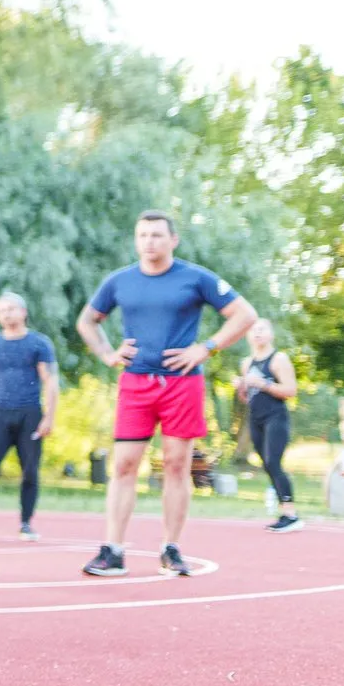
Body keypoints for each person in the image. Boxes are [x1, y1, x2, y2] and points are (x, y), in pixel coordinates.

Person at [74, 210, 257, 577]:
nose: (149, 242)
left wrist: (206, 347)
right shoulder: (119, 281)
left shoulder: (195, 278)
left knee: (176, 466)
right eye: (143, 235)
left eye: (157, 235)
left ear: (173, 239)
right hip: (136, 383)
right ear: (136, 240)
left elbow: (244, 315)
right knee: (124, 465)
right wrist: (108, 354)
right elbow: (87, 321)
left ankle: (170, 549)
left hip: (182, 384)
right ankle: (113, 550)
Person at [0, 292, 59, 542]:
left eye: (10, 309)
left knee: (30, 470)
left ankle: (26, 524)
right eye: (1, 311)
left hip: (29, 412)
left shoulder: (39, 344)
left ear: (23, 311)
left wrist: (49, 417)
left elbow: (50, 380)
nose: (6, 315)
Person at [237, 318, 301, 532]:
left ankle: (291, 514)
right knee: (266, 463)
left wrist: (263, 383)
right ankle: (284, 511)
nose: (257, 333)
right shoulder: (246, 363)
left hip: (276, 417)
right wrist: (241, 387)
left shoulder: (278, 359)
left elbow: (290, 391)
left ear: (271, 334)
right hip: (256, 418)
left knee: (274, 461)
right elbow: (248, 396)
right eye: (253, 329)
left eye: (262, 329)